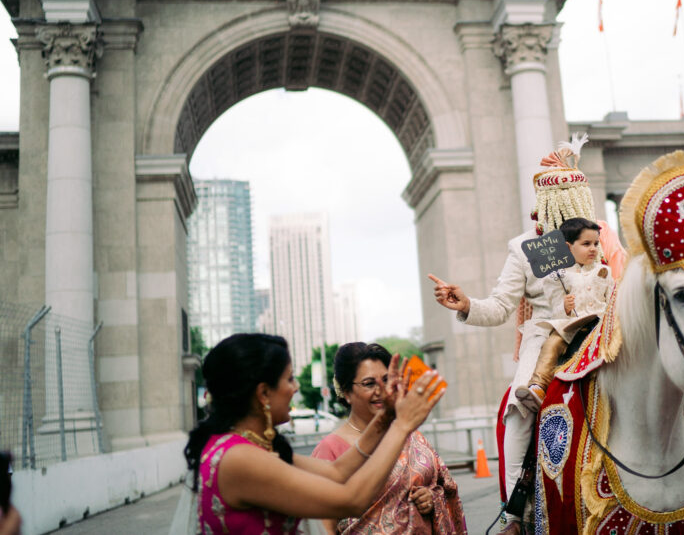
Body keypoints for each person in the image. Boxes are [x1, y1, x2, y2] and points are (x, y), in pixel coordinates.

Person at [428, 135, 625, 535]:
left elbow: (624, 286)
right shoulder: (525, 248)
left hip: (601, 335)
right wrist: (466, 304)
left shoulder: (601, 236)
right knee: (515, 417)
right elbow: (501, 306)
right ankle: (514, 511)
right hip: (545, 343)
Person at [183, 333, 444, 534]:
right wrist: (401, 426)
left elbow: (336, 473)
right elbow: (351, 499)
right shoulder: (240, 458)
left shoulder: (245, 446)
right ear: (263, 393)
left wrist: (387, 417)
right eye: (289, 379)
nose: (296, 388)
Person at [312, 342, 467, 534]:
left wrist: (431, 498)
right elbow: (322, 523)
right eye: (369, 383)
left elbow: (444, 487)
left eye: (387, 380)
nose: (382, 390)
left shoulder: (410, 434)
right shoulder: (330, 449)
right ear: (346, 392)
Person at [514, 217, 614, 411]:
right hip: (571, 325)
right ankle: (538, 385)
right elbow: (555, 308)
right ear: (568, 247)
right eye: (586, 244)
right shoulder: (557, 276)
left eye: (595, 243)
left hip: (600, 322)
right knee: (552, 343)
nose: (592, 248)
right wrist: (565, 306)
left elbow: (611, 300)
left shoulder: (604, 271)